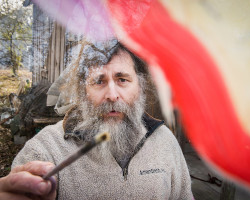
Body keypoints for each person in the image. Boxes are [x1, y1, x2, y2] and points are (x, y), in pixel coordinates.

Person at [0, 40, 194, 200]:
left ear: (140, 87)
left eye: (122, 80)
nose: (111, 95)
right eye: (99, 81)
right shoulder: (47, 149)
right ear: (84, 92)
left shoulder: (165, 142)